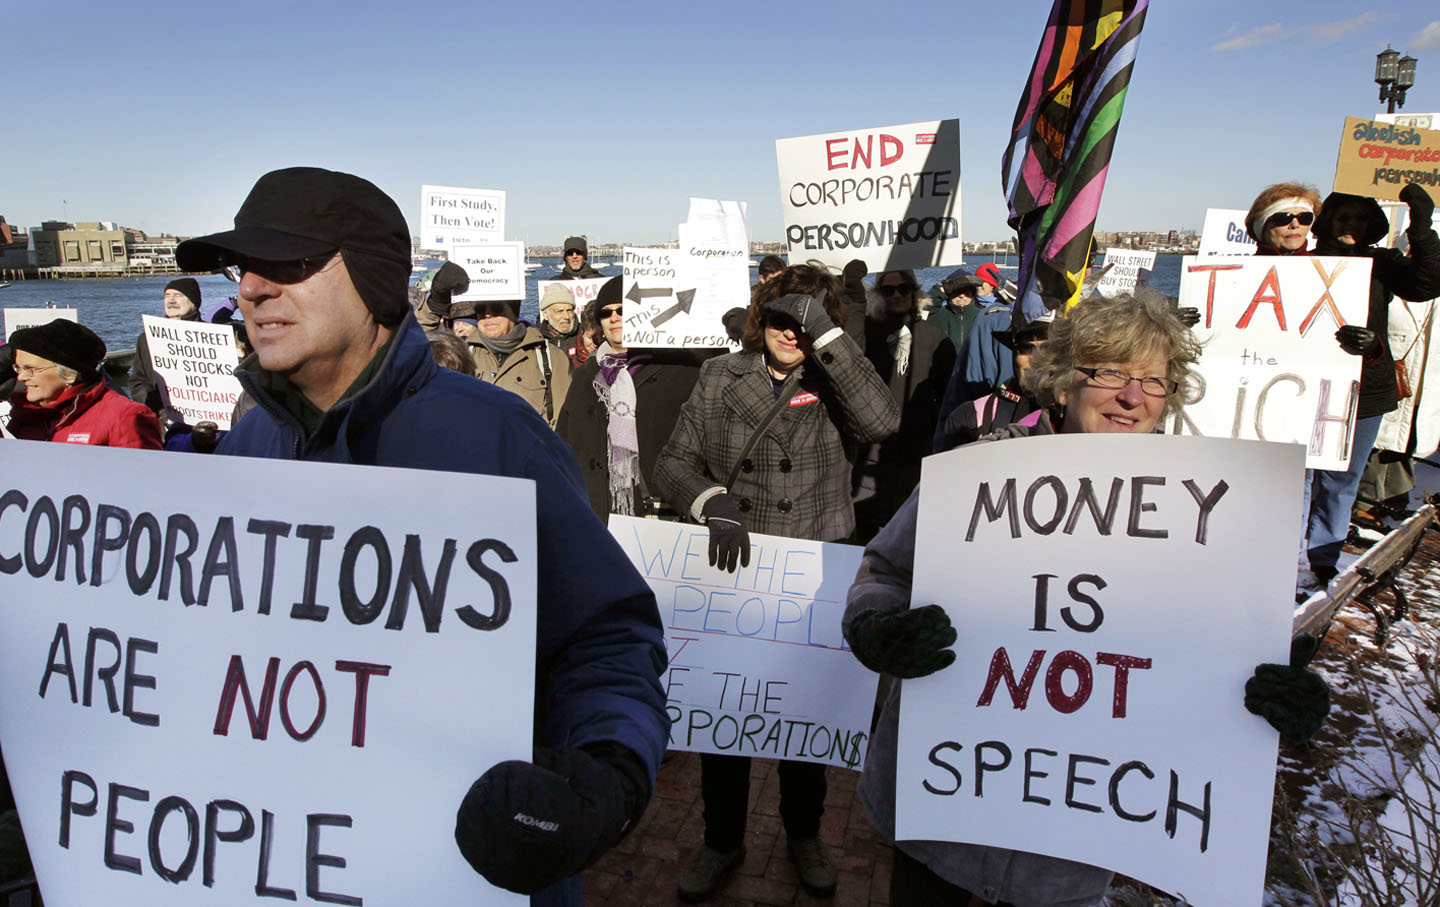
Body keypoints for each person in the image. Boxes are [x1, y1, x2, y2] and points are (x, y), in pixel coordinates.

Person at [173, 166, 669, 907]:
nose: (250, 289)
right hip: (292, 859)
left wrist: (608, 773)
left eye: (289, 265)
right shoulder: (249, 443)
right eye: (245, 269)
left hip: (462, 868)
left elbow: (605, 637)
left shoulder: (498, 438)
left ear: (372, 279)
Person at [844, 290, 1331, 906]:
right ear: (1063, 381)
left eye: (1155, 380)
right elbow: (884, 570)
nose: (1133, 396)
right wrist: (880, 624)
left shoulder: (1211, 514)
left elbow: (1215, 654)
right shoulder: (982, 474)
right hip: (942, 812)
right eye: (1110, 373)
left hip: (1072, 850)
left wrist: (1267, 700)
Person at [654, 264, 899, 903]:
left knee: (807, 717)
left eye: (809, 318)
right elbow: (672, 462)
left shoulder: (839, 376)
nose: (794, 330)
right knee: (726, 719)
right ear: (761, 319)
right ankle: (721, 840)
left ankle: (804, 834)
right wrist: (710, 500)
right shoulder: (719, 377)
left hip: (816, 574)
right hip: (737, 574)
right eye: (784, 317)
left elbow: (881, 423)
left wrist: (828, 338)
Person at [1297, 182, 1440, 588]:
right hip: (1305, 386)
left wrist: (1422, 225)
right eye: (1344, 218)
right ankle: (1287, 557)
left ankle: (1323, 559)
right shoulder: (1300, 264)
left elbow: (1428, 283)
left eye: (1361, 219)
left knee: (1342, 479)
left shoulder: (1382, 262)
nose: (1352, 226)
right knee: (1299, 477)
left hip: (1366, 390)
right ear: (1325, 223)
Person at [556, 276, 705, 519]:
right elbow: (565, 444)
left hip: (657, 517)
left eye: (623, 310)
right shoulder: (586, 375)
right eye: (606, 313)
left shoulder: (681, 369)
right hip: (595, 514)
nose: (614, 317)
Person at [851, 268, 956, 542]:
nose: (897, 295)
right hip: (868, 453)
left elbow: (948, 396)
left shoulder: (936, 337)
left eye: (904, 289)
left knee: (908, 537)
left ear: (915, 292)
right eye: (888, 290)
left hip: (914, 454)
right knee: (861, 533)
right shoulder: (863, 333)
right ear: (877, 295)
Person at [9, 319, 162, 448]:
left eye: (31, 369)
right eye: (18, 368)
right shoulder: (24, 414)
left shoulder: (124, 416)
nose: (21, 377)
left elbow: (144, 477)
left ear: (68, 375)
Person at [933, 309, 1053, 452]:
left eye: (1048, 349)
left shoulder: (1078, 416)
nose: (1036, 360)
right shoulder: (969, 418)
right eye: (1026, 348)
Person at [467, 297, 573, 428]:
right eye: (480, 310)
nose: (488, 315)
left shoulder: (551, 356)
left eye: (496, 309)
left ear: (515, 313)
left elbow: (562, 420)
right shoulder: (462, 354)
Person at [128, 276, 203, 417]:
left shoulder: (213, 336)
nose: (171, 300)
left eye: (178, 295)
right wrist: (159, 412)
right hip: (163, 419)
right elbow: (138, 380)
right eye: (167, 296)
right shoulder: (146, 339)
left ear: (194, 302)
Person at [925, 271, 983, 353]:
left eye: (966, 292)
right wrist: (943, 288)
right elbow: (921, 306)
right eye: (957, 291)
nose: (962, 296)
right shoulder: (938, 314)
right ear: (949, 293)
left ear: (972, 294)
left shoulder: (982, 316)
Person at [538, 282, 586, 367]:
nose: (566, 316)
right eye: (559, 311)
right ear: (545, 315)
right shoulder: (537, 341)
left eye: (569, 310)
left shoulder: (585, 335)